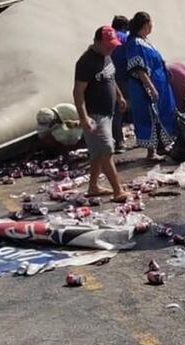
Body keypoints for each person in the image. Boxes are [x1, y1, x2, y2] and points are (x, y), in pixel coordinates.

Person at [73, 26, 129, 202]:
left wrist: (119, 96)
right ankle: (118, 191)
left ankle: (93, 187)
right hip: (94, 115)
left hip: (108, 112)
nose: (111, 48)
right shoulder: (85, 62)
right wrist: (84, 117)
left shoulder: (106, 56)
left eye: (113, 45)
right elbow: (78, 92)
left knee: (97, 153)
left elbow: (110, 77)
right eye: (108, 45)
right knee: (106, 150)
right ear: (97, 42)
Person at [122, 11, 178, 160]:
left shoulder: (145, 41)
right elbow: (139, 68)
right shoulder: (135, 43)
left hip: (159, 84)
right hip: (145, 87)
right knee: (149, 118)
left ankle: (163, 146)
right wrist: (150, 87)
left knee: (161, 116)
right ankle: (151, 152)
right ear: (146, 25)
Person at [110, 15, 131, 152]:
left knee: (115, 112)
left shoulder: (108, 39)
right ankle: (147, 140)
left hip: (110, 79)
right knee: (133, 107)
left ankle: (118, 142)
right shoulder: (126, 38)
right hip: (125, 78)